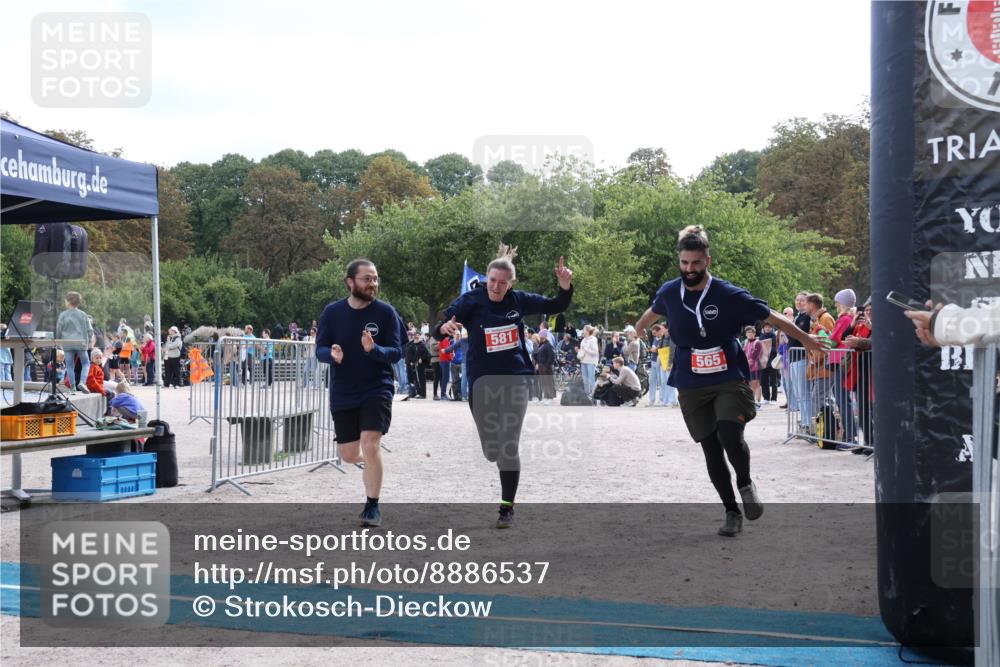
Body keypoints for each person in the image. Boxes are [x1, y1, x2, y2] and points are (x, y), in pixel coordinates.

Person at [634, 225, 822, 537]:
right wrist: (640, 327)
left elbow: (772, 316)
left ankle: (745, 484)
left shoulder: (728, 294)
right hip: (690, 380)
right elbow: (652, 312)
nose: (689, 269)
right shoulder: (669, 292)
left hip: (727, 376)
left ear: (707, 261)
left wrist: (805, 338)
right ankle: (731, 512)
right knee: (710, 448)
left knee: (730, 434)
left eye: (696, 263)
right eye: (684, 263)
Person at [434, 245, 573, 528]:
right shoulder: (470, 300)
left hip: (515, 378)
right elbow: (443, 324)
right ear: (486, 279)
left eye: (502, 283)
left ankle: (506, 507)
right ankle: (493, 451)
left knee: (509, 445)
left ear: (511, 284)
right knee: (492, 451)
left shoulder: (518, 300)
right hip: (481, 381)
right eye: (492, 281)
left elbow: (556, 305)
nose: (496, 287)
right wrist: (444, 329)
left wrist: (564, 285)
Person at [315, 259, 404, 527]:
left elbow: (397, 352)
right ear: (350, 282)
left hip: (377, 387)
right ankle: (373, 463)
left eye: (375, 279)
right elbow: (320, 349)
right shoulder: (332, 312)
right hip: (343, 390)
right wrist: (331, 355)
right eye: (367, 279)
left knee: (370, 442)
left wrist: (373, 350)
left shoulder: (386, 313)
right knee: (349, 455)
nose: (372, 284)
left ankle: (372, 506)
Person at [56, 291, 93, 391]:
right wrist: (88, 340)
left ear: (68, 302)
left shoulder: (63, 315)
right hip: (81, 342)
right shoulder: (83, 314)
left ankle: (72, 387)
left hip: (67, 343)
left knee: (69, 365)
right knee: (85, 363)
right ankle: (82, 382)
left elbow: (59, 329)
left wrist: (57, 339)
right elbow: (90, 330)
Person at [532, 331, 556, 404]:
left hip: (546, 366)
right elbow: (537, 353)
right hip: (541, 365)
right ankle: (545, 397)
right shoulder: (542, 344)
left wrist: (547, 365)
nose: (540, 338)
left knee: (548, 382)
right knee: (543, 383)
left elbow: (552, 356)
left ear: (544, 337)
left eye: (541, 337)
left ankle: (550, 398)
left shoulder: (548, 345)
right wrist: (536, 360)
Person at [743, 325, 764, 407]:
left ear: (754, 333)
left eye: (751, 332)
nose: (749, 334)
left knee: (755, 384)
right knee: (752, 384)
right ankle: (754, 402)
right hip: (749, 366)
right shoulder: (746, 342)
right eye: (747, 332)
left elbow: (754, 357)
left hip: (755, 367)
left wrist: (747, 365)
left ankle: (757, 402)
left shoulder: (757, 342)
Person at [758, 322, 779, 405]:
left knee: (773, 381)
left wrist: (767, 348)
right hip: (763, 362)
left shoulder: (774, 336)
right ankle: (766, 398)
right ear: (763, 328)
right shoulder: (761, 336)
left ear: (772, 328)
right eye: (766, 327)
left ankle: (774, 398)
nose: (767, 328)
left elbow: (775, 349)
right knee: (764, 381)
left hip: (772, 361)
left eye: (769, 327)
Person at [578, 324, 600, 398]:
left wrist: (586, 349)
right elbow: (582, 350)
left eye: (583, 330)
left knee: (591, 379)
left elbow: (595, 352)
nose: (582, 331)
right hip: (583, 361)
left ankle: (592, 395)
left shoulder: (593, 339)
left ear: (587, 331)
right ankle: (586, 394)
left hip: (590, 362)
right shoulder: (583, 340)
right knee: (585, 379)